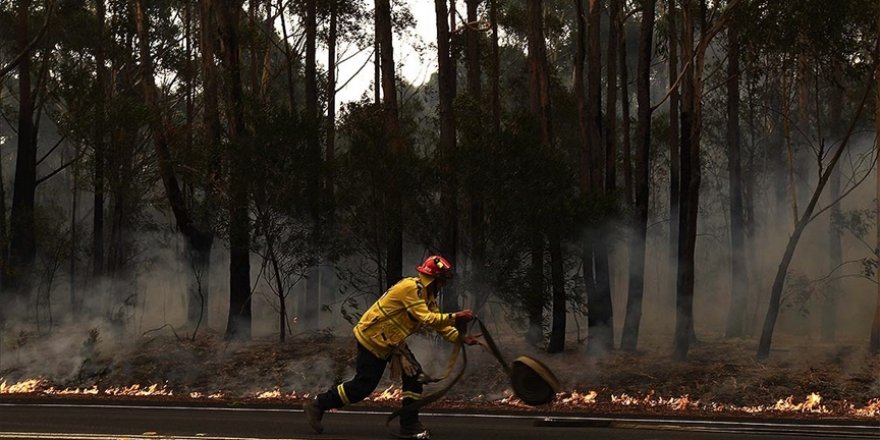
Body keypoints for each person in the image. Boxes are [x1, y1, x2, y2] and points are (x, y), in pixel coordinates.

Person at [303, 255, 478, 438]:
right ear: (434, 278)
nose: (444, 285)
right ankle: (318, 404)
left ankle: (409, 424)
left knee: (415, 377)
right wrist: (457, 316)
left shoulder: (428, 296)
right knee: (363, 387)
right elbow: (428, 319)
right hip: (373, 339)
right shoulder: (412, 289)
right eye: (443, 280)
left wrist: (462, 338)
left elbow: (437, 325)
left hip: (392, 342)